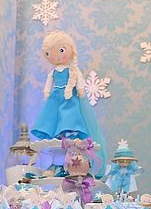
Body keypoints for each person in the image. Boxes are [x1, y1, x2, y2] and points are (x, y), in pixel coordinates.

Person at [31, 30, 107, 177]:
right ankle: (58, 135)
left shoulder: (73, 70)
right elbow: (49, 83)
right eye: (48, 53)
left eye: (61, 50)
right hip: (55, 99)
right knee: (53, 118)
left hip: (69, 98)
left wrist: (80, 89)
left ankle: (69, 131)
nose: (56, 56)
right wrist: (46, 92)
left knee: (69, 116)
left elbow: (79, 79)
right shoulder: (53, 72)